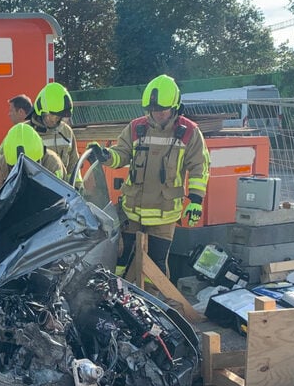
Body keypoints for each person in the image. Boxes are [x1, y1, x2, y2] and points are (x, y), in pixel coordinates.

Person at [89, 74, 210, 276]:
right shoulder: (136, 128)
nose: (157, 114)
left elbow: (200, 166)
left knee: (156, 266)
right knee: (121, 258)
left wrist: (196, 200)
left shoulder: (189, 131)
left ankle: (153, 302)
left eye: (162, 110)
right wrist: (106, 156)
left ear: (175, 106)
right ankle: (116, 297)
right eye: (153, 110)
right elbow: (122, 154)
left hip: (164, 213)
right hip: (132, 210)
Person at [29, 82, 81, 186]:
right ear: (40, 109)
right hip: (36, 195)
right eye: (51, 115)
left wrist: (78, 188)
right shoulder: (26, 132)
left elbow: (74, 164)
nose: (54, 120)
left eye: (58, 117)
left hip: (64, 196)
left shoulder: (66, 132)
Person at [0, 123, 65, 188]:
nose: (23, 173)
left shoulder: (52, 164)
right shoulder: (0, 167)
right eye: (15, 168)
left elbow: (58, 198)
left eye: (30, 166)